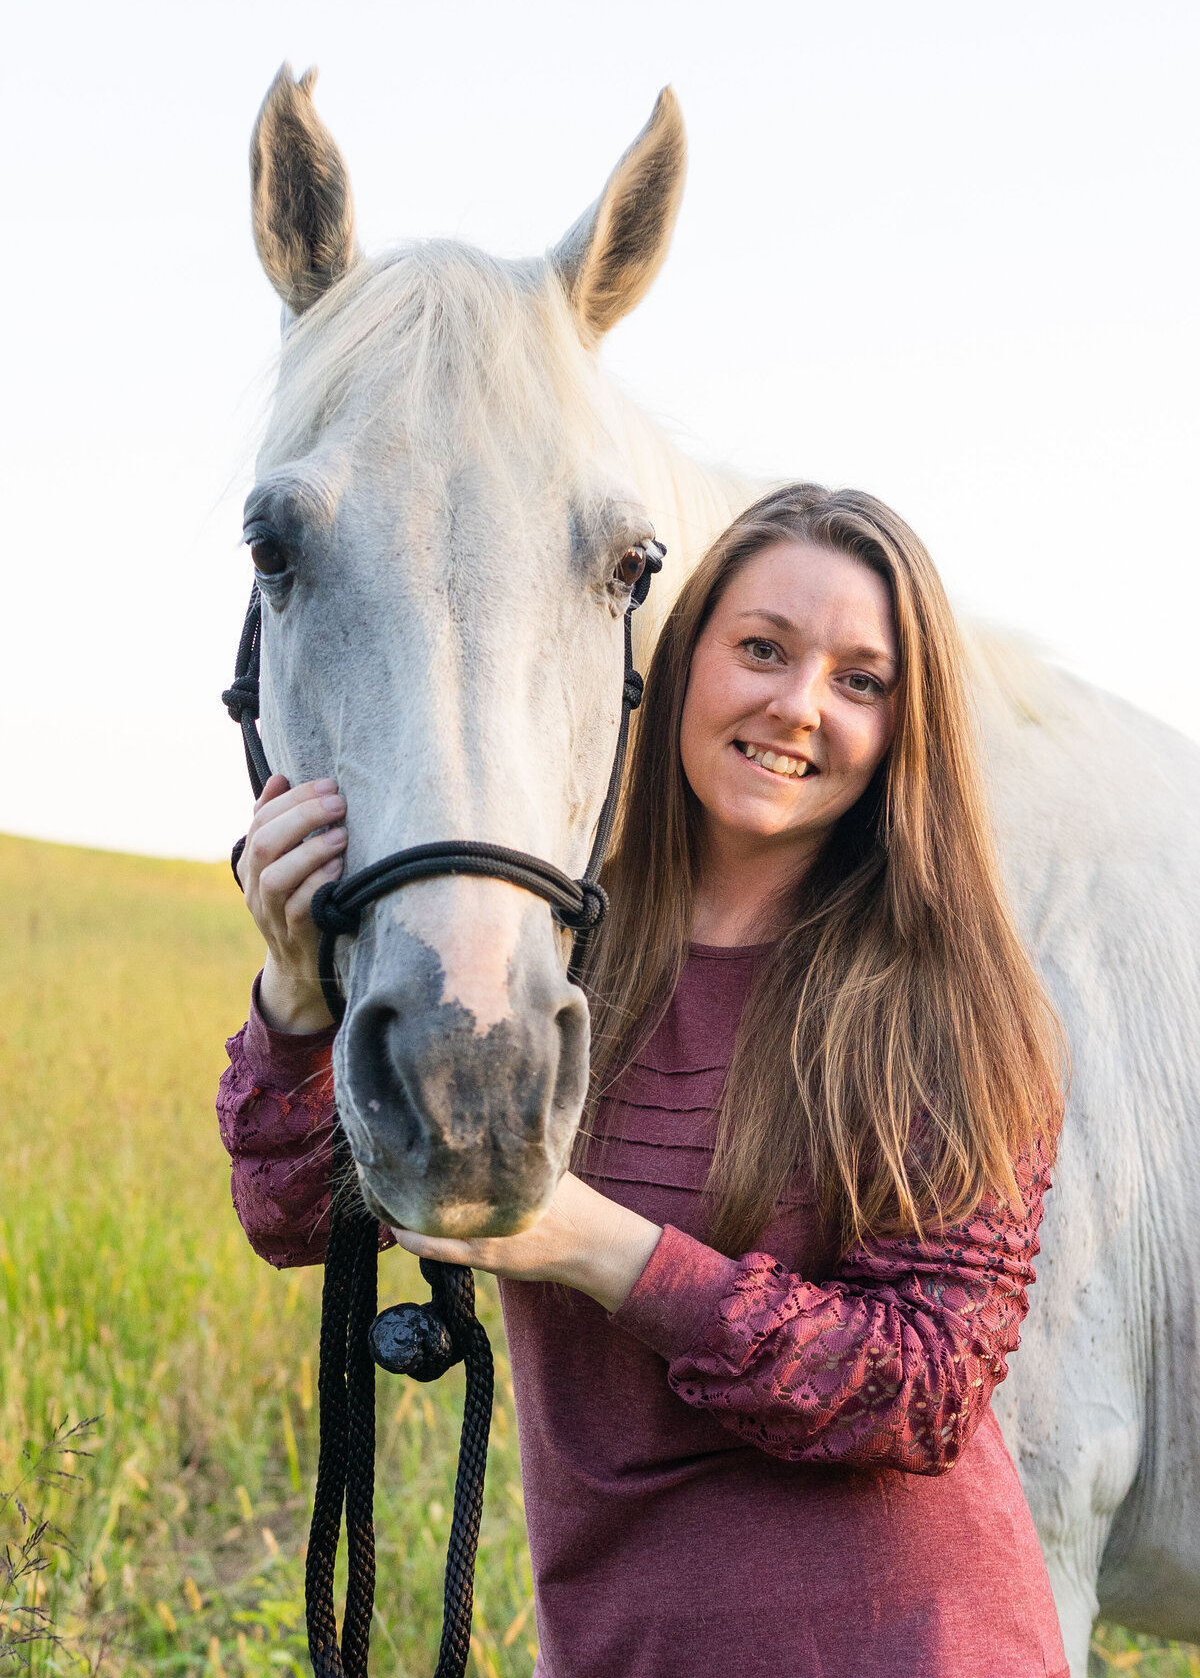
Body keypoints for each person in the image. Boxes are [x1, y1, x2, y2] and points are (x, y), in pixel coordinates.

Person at [218, 483, 1069, 1678]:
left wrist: (588, 1243)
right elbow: (298, 1221)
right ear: (675, 667)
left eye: (860, 680)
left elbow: (921, 1387)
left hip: (910, 1643)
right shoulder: (543, 963)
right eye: (762, 649)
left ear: (900, 728)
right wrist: (297, 994)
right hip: (624, 1641)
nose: (798, 705)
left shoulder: (951, 1005)